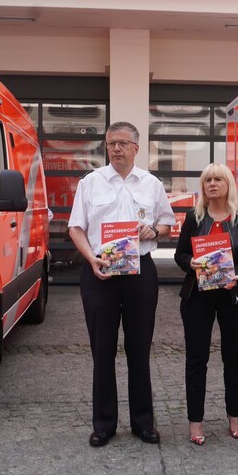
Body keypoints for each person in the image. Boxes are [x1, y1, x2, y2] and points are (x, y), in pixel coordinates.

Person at [68, 121, 175, 447]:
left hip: (140, 273)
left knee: (139, 349)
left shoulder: (151, 184)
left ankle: (143, 423)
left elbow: (167, 223)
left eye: (123, 143)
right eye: (112, 143)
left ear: (136, 148)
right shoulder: (91, 183)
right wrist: (91, 259)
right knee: (102, 351)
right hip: (100, 273)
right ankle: (104, 424)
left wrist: (153, 232)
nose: (116, 149)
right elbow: (76, 228)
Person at [174, 163, 238, 445]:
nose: (212, 183)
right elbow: (180, 254)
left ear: (228, 185)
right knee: (196, 359)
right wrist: (190, 262)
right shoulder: (193, 218)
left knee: (233, 359)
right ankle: (195, 422)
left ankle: (234, 417)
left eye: (218, 179)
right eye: (207, 179)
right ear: (203, 186)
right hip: (197, 297)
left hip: (233, 297)